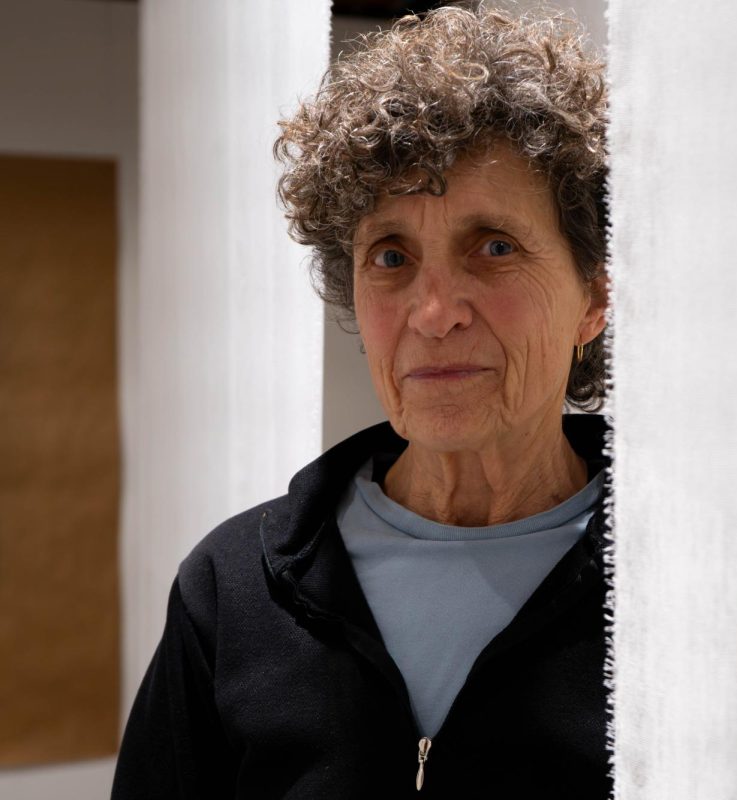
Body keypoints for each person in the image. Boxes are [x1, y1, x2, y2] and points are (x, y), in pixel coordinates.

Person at [112, 6, 611, 798]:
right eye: (391, 255)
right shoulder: (231, 589)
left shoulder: (673, 586)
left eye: (494, 246)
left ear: (593, 296)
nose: (433, 310)